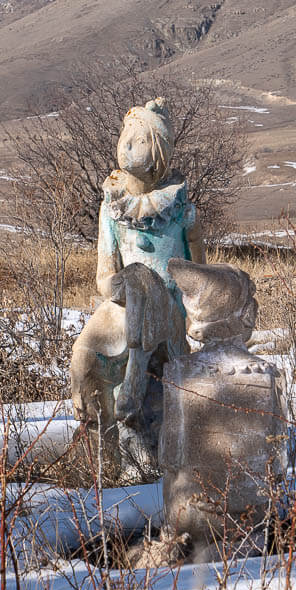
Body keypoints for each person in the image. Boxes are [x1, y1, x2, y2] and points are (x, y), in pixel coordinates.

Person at [69, 98, 204, 475]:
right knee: (84, 356)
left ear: (159, 151)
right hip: (123, 306)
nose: (127, 145)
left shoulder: (181, 210)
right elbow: (103, 275)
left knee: (150, 285)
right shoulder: (111, 206)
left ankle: (139, 418)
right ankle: (101, 454)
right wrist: (127, 286)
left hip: (168, 316)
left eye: (140, 138)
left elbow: (196, 275)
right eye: (126, 135)